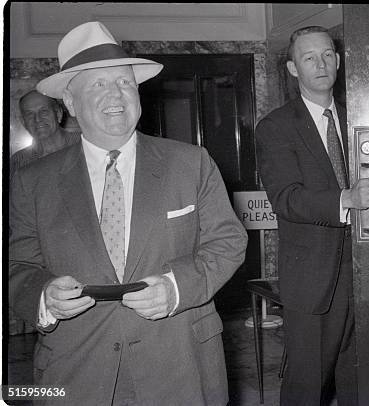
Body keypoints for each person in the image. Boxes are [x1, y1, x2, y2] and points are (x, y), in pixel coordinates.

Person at [9, 21, 247, 405]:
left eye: (123, 82)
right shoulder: (32, 181)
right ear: (70, 102)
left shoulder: (191, 163)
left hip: (180, 367)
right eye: (98, 84)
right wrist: (43, 296)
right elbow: (17, 266)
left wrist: (176, 287)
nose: (115, 94)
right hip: (75, 374)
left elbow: (229, 242)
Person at [255, 26, 369, 405]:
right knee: (308, 385)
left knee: (360, 379)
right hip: (312, 278)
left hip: (366, 272)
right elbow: (286, 198)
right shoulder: (276, 127)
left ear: (339, 60)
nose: (320, 63)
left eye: (327, 54)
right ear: (293, 69)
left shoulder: (362, 118)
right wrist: (347, 199)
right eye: (308, 57)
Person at [10, 90, 80, 178]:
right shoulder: (19, 161)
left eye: (44, 111)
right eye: (29, 114)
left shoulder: (84, 145)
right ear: (23, 122)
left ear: (58, 114)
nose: (37, 119)